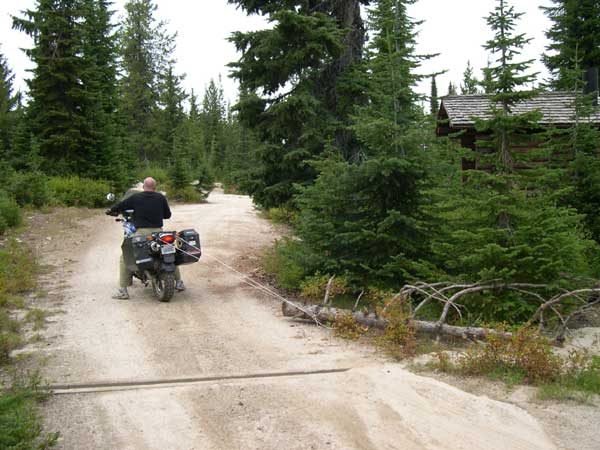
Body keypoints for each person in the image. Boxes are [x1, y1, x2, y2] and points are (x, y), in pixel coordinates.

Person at [108, 177, 185, 299]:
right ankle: (179, 282)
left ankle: (123, 290)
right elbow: (168, 215)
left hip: (141, 232)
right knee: (169, 253)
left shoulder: (135, 198)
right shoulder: (160, 197)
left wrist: (111, 210)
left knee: (125, 256)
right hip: (158, 232)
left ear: (144, 187)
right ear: (155, 187)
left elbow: (120, 206)